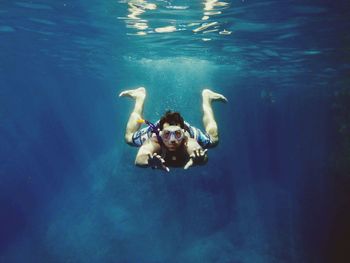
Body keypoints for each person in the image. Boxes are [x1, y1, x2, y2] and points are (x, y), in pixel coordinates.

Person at [119, 87, 227, 172]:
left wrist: (200, 159)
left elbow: (198, 151)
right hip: (160, 128)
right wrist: (148, 161)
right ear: (160, 133)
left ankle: (207, 97)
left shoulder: (188, 141)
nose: (172, 140)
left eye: (177, 134)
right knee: (128, 138)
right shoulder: (154, 140)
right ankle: (139, 97)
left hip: (183, 128)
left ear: (183, 132)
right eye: (166, 135)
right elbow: (139, 158)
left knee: (214, 140)